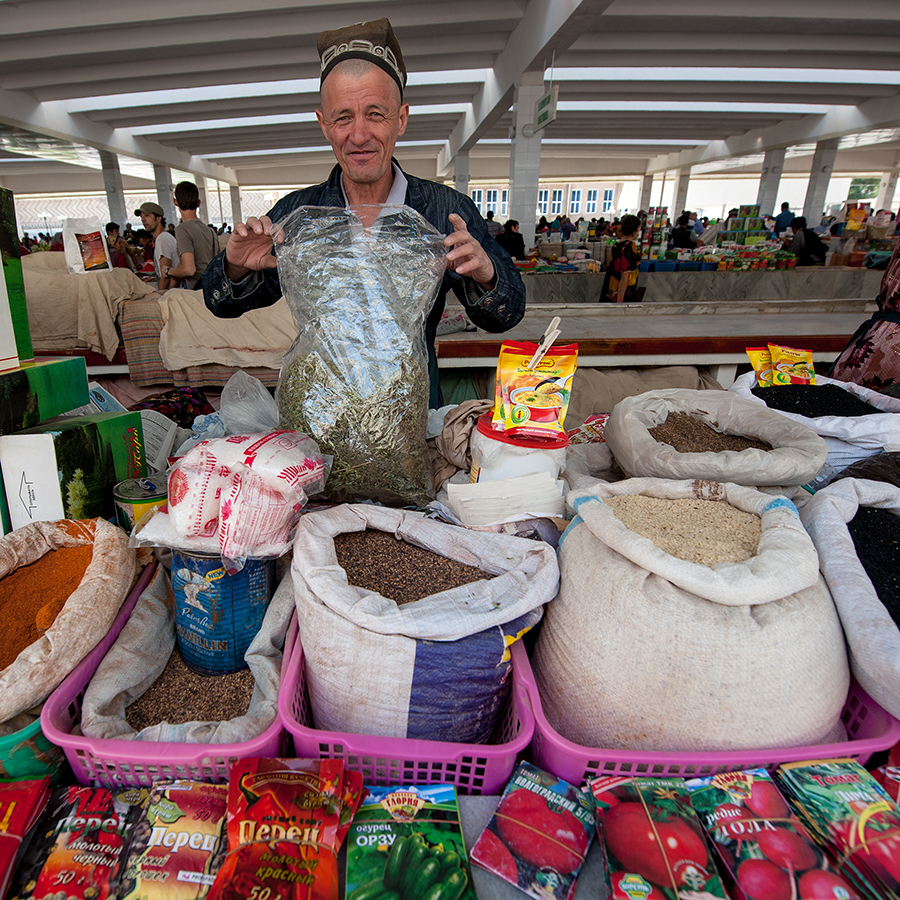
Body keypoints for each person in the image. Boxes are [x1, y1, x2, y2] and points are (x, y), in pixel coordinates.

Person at [202, 17, 524, 409]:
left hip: (413, 416)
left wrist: (486, 275)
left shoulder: (445, 210)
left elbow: (505, 315)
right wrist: (235, 267)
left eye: (375, 114)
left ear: (401, 119)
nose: (358, 135)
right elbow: (222, 303)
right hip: (322, 415)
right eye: (343, 117)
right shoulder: (299, 215)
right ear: (324, 125)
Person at [165, 181, 219, 290]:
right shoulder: (210, 231)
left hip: (196, 292)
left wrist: (168, 271)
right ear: (199, 203)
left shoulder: (182, 229)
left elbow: (189, 269)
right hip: (212, 289)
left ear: (175, 202)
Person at [135, 201, 179, 289]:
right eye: (141, 217)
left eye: (147, 216)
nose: (143, 219)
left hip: (170, 295)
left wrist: (159, 296)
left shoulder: (162, 240)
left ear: (158, 218)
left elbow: (165, 275)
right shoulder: (163, 238)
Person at [600, 213, 641, 303]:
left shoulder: (616, 245)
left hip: (610, 291)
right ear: (637, 229)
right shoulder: (630, 246)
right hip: (621, 295)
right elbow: (625, 275)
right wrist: (620, 303)